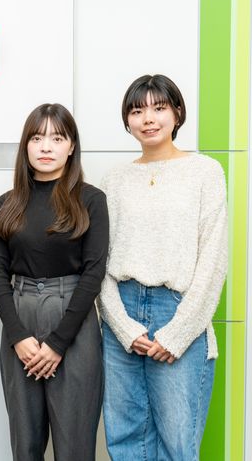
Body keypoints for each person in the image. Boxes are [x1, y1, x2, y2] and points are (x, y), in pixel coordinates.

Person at [99, 74, 228, 461]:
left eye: (159, 108)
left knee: (177, 442)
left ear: (177, 113)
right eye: (137, 111)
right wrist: (123, 327)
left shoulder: (204, 171)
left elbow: (213, 259)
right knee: (125, 438)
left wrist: (178, 333)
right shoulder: (114, 179)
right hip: (121, 313)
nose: (148, 119)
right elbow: (99, 262)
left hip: (178, 309)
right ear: (127, 120)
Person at [0, 103, 108, 460]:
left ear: (71, 147)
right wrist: (17, 336)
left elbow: (93, 274)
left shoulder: (91, 200)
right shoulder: (7, 203)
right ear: (25, 145)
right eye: (37, 138)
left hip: (73, 321)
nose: (46, 147)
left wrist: (57, 343)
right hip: (21, 322)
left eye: (57, 138)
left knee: (74, 447)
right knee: (25, 446)